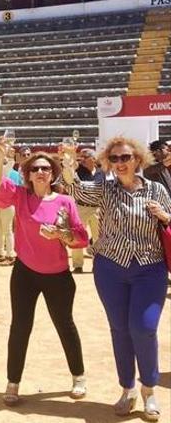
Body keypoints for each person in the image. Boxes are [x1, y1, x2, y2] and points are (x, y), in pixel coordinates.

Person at [62, 137, 170, 421]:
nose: (120, 163)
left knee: (143, 328)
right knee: (120, 329)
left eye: (125, 157)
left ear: (138, 159)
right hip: (111, 268)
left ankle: (149, 390)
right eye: (114, 159)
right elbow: (75, 190)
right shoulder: (105, 188)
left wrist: (165, 216)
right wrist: (69, 165)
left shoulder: (156, 189)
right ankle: (128, 389)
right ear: (107, 162)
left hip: (150, 267)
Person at [0, 140, 88, 407]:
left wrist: (61, 234)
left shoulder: (65, 201)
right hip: (25, 274)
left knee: (65, 325)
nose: (41, 172)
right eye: (35, 169)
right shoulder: (21, 196)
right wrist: (0, 157)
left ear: (53, 173)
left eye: (45, 168)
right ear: (28, 175)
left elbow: (80, 237)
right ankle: (13, 382)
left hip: (58, 274)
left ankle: (78, 375)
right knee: (20, 328)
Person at [69, 149, 103, 273]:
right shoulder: (77, 172)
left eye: (85, 157)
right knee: (77, 236)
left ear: (93, 159)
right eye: (81, 157)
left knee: (98, 238)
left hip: (98, 208)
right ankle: (78, 265)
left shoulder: (101, 172)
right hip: (81, 207)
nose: (82, 159)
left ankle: (98, 265)